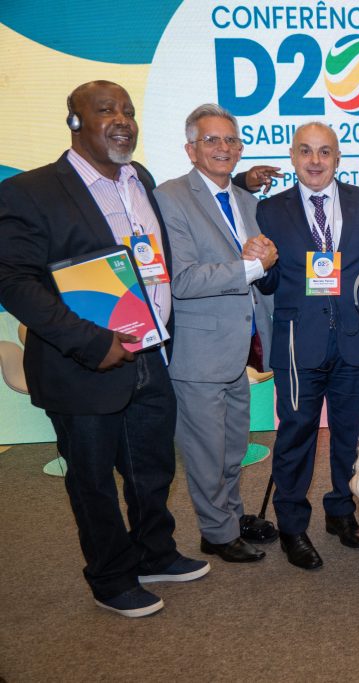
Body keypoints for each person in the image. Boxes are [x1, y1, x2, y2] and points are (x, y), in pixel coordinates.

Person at [0, 81, 208, 617]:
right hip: (83, 365)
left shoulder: (140, 178)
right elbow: (17, 284)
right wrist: (95, 343)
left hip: (150, 356)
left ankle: (154, 552)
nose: (121, 120)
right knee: (93, 481)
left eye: (128, 111)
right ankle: (111, 579)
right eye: (105, 111)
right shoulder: (31, 191)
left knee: (152, 468)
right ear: (74, 122)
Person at [255, 122, 359, 569]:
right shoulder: (270, 210)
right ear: (292, 156)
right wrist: (257, 261)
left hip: (354, 340)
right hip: (297, 343)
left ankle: (342, 511)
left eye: (325, 152)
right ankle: (292, 526)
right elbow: (266, 281)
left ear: (338, 157)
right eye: (306, 151)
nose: (315, 161)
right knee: (297, 435)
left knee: (349, 436)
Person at [155, 103, 279, 565]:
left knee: (232, 445)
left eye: (230, 140)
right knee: (206, 449)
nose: (222, 148)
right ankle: (216, 533)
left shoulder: (247, 202)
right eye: (211, 140)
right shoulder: (169, 197)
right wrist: (251, 264)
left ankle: (231, 517)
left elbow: (260, 272)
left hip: (241, 347)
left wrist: (265, 260)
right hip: (199, 348)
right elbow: (182, 279)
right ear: (191, 149)